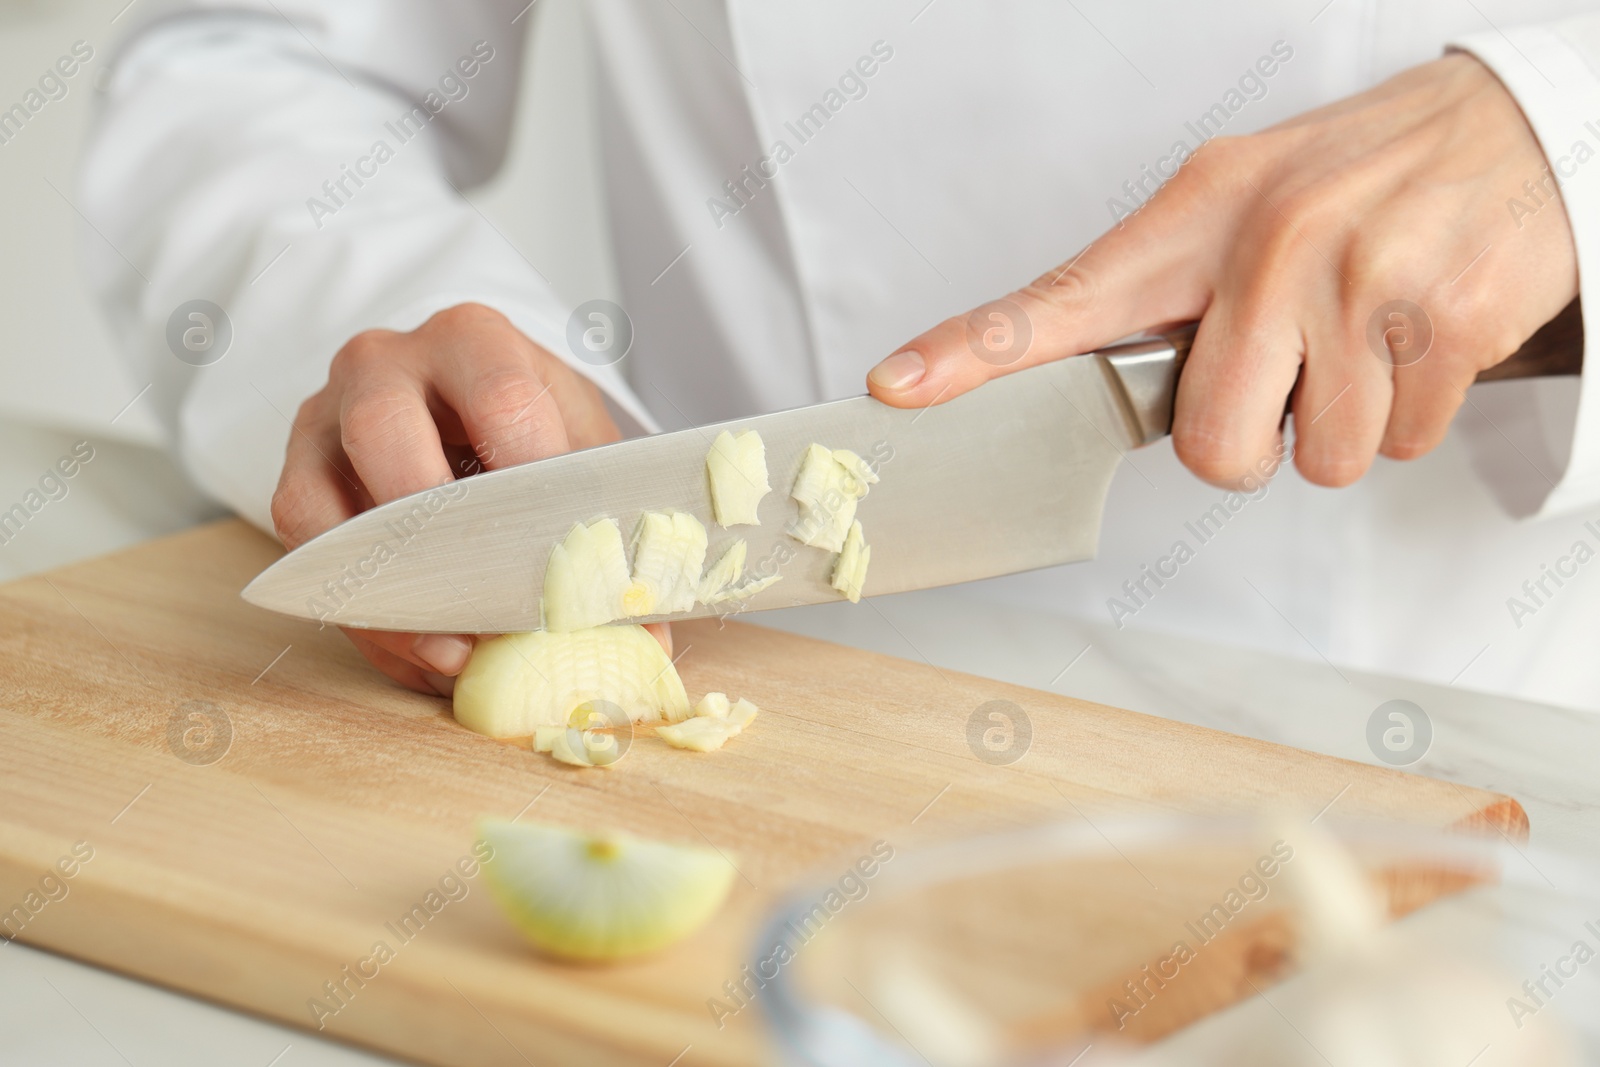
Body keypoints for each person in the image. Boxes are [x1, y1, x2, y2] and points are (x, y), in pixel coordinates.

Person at [83, 1, 1600, 709]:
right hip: (770, 722)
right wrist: (444, 371)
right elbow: (258, 62)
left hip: (1473, 745)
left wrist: (1565, 134)